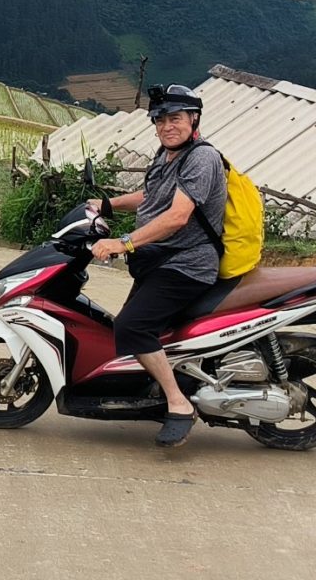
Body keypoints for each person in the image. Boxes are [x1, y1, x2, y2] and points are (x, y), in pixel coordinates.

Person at [90, 84, 226, 448]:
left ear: (193, 119)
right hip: (161, 262)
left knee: (132, 328)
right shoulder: (168, 154)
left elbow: (178, 216)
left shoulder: (201, 158)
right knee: (130, 327)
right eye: (161, 119)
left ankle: (179, 405)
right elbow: (152, 196)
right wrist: (107, 205)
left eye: (175, 118)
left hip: (186, 265)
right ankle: (155, 388)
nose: (167, 125)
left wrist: (123, 243)